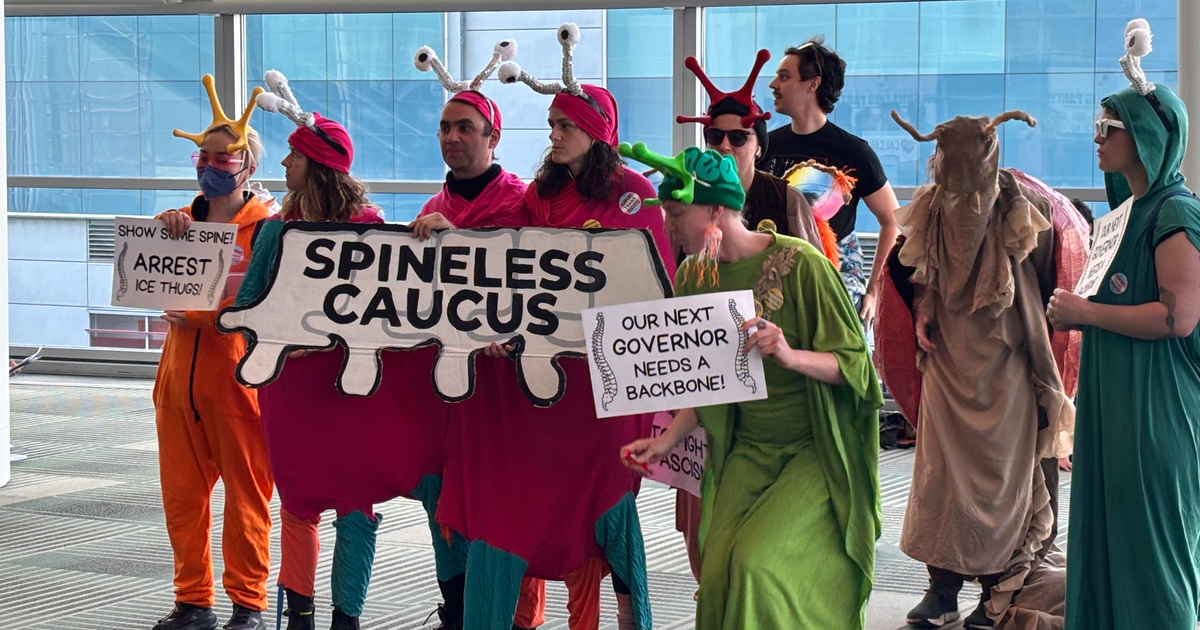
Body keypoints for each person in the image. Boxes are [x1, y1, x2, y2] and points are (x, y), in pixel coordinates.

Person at [434, 23, 674, 630]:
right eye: (551, 126)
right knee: (516, 509)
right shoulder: (539, 194)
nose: (554, 135)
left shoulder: (634, 195)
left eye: (565, 125)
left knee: (607, 517)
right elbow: (502, 262)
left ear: (595, 131)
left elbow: (655, 290)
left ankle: (628, 621)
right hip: (533, 391)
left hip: (602, 393)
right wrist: (447, 234)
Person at [620, 143, 882, 629]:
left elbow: (855, 367)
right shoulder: (693, 278)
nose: (668, 226)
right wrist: (665, 441)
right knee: (716, 575)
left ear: (717, 209)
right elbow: (705, 385)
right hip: (746, 450)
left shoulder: (801, 263)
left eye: (677, 213)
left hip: (812, 452)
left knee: (756, 566)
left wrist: (788, 354)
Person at [890, 106, 1074, 629]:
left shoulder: (1025, 205)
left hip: (1008, 365)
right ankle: (941, 589)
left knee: (1005, 481)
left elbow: (1045, 285)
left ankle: (998, 592)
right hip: (947, 361)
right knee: (940, 480)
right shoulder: (928, 206)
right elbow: (912, 266)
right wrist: (924, 309)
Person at [1047, 19, 1200, 630]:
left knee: (1151, 551)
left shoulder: (1175, 213)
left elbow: (1177, 315)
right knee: (1109, 541)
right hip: (1115, 407)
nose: (1097, 140)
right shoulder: (1126, 216)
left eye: (1108, 128)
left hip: (1156, 410)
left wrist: (1086, 314)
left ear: (1143, 133)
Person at [237, 72, 389, 630]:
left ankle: (346, 619)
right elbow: (250, 304)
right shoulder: (276, 232)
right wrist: (269, 340)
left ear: (318, 164)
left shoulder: (371, 231)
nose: (283, 167)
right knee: (298, 503)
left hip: (349, 389)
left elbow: (386, 317)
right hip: (291, 390)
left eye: (292, 158)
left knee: (355, 506)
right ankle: (296, 618)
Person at [408, 47, 545, 630]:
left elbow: (542, 289)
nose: (452, 136)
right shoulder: (428, 209)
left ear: (493, 137)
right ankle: (459, 603)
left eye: (465, 127)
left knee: (511, 502)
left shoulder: (524, 203)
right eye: (444, 127)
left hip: (512, 386)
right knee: (438, 493)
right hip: (449, 389)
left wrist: (458, 239)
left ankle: (519, 618)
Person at [151, 74, 273, 630]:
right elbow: (143, 275)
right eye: (203, 155)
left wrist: (203, 317)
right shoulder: (180, 221)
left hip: (238, 384)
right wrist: (159, 233)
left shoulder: (269, 230)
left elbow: (268, 304)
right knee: (182, 499)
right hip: (177, 384)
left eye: (223, 157)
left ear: (247, 164)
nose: (210, 164)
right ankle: (192, 602)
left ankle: (247, 606)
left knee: (247, 502)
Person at [759, 36, 901, 325]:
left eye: (784, 77)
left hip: (834, 277)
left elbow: (892, 220)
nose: (773, 85)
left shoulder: (852, 151)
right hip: (774, 272)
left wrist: (875, 290)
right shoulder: (767, 145)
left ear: (812, 84)